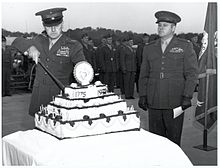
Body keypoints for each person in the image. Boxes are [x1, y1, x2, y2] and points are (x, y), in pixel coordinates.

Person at [138, 11, 198, 146]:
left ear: (173, 28)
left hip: (175, 100)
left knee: (173, 139)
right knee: (155, 139)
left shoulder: (185, 46)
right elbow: (143, 74)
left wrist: (187, 96)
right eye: (159, 25)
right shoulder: (149, 48)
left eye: (165, 25)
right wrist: (143, 95)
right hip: (154, 99)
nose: (160, 28)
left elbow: (192, 73)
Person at [12, 8, 86, 117]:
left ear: (62, 24)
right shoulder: (39, 40)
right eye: (49, 27)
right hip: (39, 96)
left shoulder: (73, 45)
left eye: (56, 25)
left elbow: (83, 68)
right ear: (44, 26)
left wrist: (83, 74)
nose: (53, 30)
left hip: (60, 97)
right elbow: (16, 41)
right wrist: (30, 47)